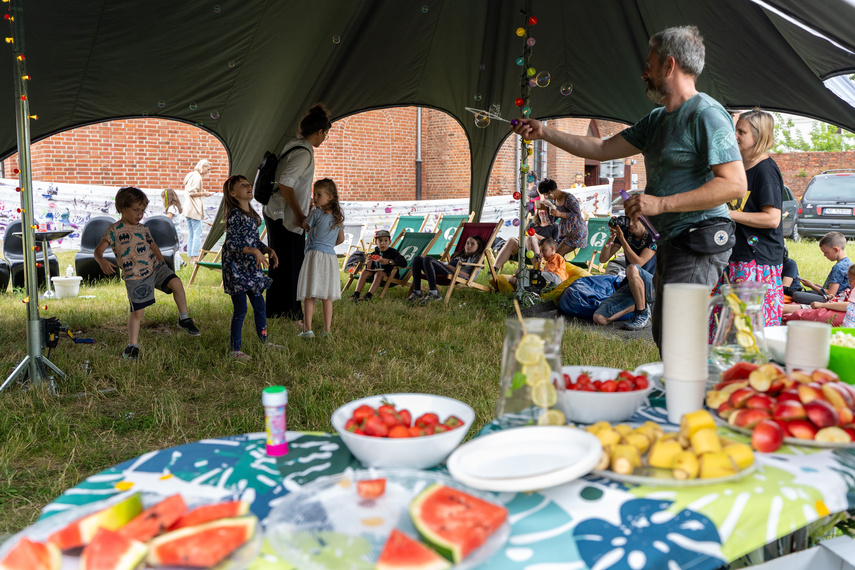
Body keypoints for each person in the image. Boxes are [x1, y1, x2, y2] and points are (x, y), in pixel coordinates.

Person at [511, 25, 746, 351]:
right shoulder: (657, 120)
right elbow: (601, 148)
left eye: (649, 63)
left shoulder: (705, 113)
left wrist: (660, 205)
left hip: (700, 239)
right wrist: (545, 133)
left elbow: (734, 184)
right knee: (667, 337)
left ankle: (695, 398)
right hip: (673, 241)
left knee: (679, 341)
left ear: (669, 65)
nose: (643, 73)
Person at [94, 187, 200, 360]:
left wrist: (162, 262)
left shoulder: (143, 229)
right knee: (138, 313)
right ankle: (132, 345)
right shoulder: (114, 230)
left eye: (142, 210)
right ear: (122, 208)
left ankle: (184, 318)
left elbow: (152, 245)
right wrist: (102, 261)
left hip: (155, 268)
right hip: (135, 276)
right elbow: (98, 251)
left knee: (177, 283)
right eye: (136, 210)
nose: (140, 214)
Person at [709, 109, 785, 340]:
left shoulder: (766, 170)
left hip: (757, 260)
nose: (735, 135)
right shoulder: (739, 167)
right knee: (726, 327)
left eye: (741, 131)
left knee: (748, 331)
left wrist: (728, 214)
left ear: (759, 136)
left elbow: (772, 218)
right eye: (735, 130)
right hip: (734, 256)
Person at [263, 104, 332, 324]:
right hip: (285, 217)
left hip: (275, 212)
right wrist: (300, 214)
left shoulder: (293, 144)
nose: (324, 138)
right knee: (293, 266)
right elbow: (285, 184)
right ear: (319, 132)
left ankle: (275, 310)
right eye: (325, 134)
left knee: (278, 264)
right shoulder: (304, 152)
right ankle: (293, 314)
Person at [221, 175, 279, 360]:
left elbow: (253, 240)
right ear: (233, 193)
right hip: (236, 269)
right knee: (241, 309)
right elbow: (231, 243)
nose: (248, 187)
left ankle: (264, 341)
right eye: (242, 185)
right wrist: (254, 251)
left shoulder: (253, 215)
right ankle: (234, 350)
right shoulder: (234, 214)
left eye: (248, 184)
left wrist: (267, 249)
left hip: (251, 269)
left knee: (260, 305)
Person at [296, 179, 345, 338]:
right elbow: (341, 239)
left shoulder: (316, 213)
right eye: (314, 194)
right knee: (326, 295)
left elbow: (304, 226)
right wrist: (328, 245)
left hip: (314, 255)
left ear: (330, 197)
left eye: (318, 194)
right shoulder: (338, 216)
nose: (315, 197)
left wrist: (304, 213)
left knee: (309, 293)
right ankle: (326, 330)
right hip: (330, 257)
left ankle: (307, 330)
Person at [593, 217, 657, 329]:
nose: (630, 223)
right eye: (628, 219)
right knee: (599, 318)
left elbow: (638, 262)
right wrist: (612, 237)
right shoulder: (626, 233)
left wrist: (622, 239)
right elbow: (603, 259)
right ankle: (640, 305)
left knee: (632, 268)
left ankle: (642, 315)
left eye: (634, 220)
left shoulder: (653, 235)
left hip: (653, 285)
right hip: (633, 287)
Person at [409, 235, 486, 304]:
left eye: (472, 244)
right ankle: (418, 293)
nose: (469, 245)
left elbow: (472, 277)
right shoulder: (459, 254)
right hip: (444, 270)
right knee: (417, 259)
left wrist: (452, 268)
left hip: (453, 274)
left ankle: (434, 293)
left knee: (428, 259)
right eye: (467, 243)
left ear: (478, 247)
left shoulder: (476, 258)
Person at [790, 231, 851, 305]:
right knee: (802, 293)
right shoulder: (848, 263)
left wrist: (811, 286)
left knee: (797, 295)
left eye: (826, 252)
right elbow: (836, 288)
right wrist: (816, 285)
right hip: (838, 297)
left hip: (832, 300)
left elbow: (831, 293)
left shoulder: (839, 267)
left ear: (836, 250)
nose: (824, 255)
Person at [783, 265, 855, 326]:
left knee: (792, 302)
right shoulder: (850, 290)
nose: (849, 283)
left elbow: (848, 305)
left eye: (850, 280)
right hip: (826, 304)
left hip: (823, 308)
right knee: (789, 307)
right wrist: (831, 299)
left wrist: (822, 305)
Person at [492, 208, 558, 273]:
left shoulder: (554, 226)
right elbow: (524, 237)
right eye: (540, 209)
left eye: (545, 209)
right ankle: (494, 270)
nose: (542, 211)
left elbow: (553, 243)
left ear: (549, 212)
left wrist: (535, 235)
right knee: (511, 240)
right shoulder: (531, 225)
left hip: (541, 251)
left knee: (531, 237)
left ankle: (537, 271)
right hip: (525, 248)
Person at [350, 229, 406, 302]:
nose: (383, 243)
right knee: (365, 270)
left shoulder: (393, 252)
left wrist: (389, 261)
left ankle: (368, 296)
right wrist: (369, 265)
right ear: (376, 242)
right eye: (380, 241)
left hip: (391, 275)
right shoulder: (374, 253)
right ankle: (356, 294)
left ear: (390, 242)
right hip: (376, 274)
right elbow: (372, 268)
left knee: (378, 273)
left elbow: (404, 262)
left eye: (386, 240)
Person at [536, 178, 587, 257]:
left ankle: (558, 269)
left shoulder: (569, 199)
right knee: (555, 255)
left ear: (550, 192)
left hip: (575, 232)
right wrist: (546, 209)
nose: (547, 197)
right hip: (564, 233)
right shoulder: (554, 200)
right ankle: (562, 269)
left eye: (546, 195)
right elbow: (551, 221)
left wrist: (560, 214)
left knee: (557, 255)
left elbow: (577, 216)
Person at [183, 159, 213, 264]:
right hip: (194, 209)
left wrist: (202, 191)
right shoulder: (197, 177)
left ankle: (191, 257)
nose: (207, 172)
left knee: (192, 233)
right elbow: (192, 192)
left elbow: (192, 191)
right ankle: (195, 257)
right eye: (207, 169)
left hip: (188, 208)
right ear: (202, 167)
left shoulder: (191, 175)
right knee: (197, 233)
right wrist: (204, 194)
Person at [162, 187, 185, 268]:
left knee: (174, 250)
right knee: (175, 248)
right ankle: (182, 263)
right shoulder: (175, 207)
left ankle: (177, 267)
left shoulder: (172, 207)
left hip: (174, 230)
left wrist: (162, 217)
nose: (163, 201)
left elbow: (168, 219)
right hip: (176, 230)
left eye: (163, 198)